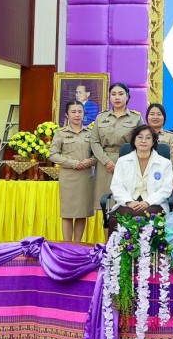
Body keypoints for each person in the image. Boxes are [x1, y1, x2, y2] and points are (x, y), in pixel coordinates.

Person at [108, 124, 173, 235]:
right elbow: (116, 186)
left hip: (154, 203)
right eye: (140, 137)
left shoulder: (165, 163)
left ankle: (150, 247)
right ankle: (116, 247)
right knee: (116, 218)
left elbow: (166, 189)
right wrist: (129, 202)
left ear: (153, 142)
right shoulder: (122, 161)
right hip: (129, 202)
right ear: (134, 140)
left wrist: (148, 202)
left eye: (148, 138)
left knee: (152, 216)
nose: (143, 141)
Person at [49, 101, 96, 242]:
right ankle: (67, 245)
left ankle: (78, 245)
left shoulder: (91, 133)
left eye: (80, 111)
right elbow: (53, 154)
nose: (77, 115)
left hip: (86, 177)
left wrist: (91, 161)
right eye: (73, 112)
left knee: (82, 213)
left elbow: (97, 154)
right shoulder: (61, 133)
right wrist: (73, 163)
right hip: (68, 177)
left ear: (84, 114)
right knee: (68, 213)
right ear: (67, 114)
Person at [90, 82, 143, 206]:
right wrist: (106, 161)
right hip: (105, 163)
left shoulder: (136, 118)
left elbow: (142, 141)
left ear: (127, 96)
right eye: (113, 94)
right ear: (109, 97)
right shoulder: (101, 117)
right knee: (106, 202)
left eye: (120, 94)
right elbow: (94, 141)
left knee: (126, 201)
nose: (117, 97)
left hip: (128, 162)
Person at [146, 103, 173, 167]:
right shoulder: (140, 135)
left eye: (159, 114)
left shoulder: (170, 137)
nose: (155, 117)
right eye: (152, 114)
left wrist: (162, 170)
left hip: (165, 171)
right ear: (147, 117)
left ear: (164, 117)